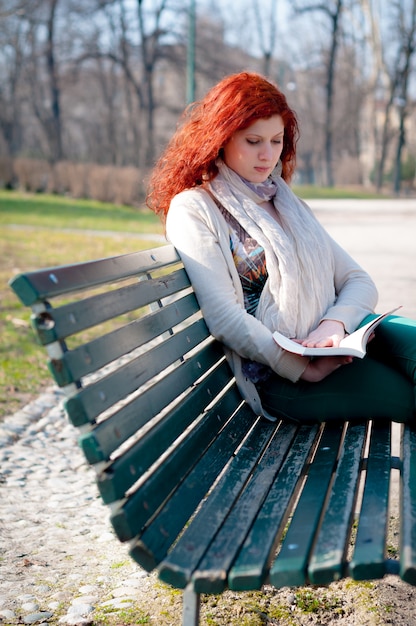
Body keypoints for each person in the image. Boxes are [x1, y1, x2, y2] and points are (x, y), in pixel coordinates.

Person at [146, 71, 416, 424]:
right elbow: (225, 317)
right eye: (253, 140)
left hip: (335, 337)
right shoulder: (196, 209)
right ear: (221, 138)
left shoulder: (285, 201)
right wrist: (301, 367)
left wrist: (332, 325)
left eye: (276, 141)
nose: (267, 155)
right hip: (278, 377)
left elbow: (358, 280)